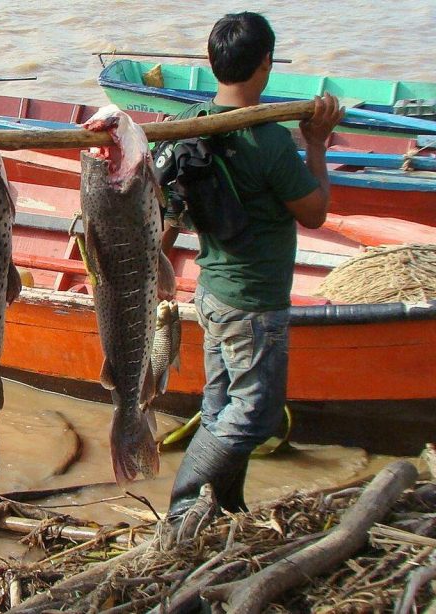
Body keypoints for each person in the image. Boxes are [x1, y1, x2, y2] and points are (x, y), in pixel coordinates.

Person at [160, 12, 344, 518]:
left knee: (220, 408)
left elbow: (165, 211)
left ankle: (222, 507)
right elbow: (315, 213)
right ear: (265, 63)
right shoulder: (269, 141)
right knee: (255, 416)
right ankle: (181, 507)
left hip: (213, 294)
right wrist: (316, 145)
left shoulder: (190, 125)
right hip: (254, 304)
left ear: (212, 63)